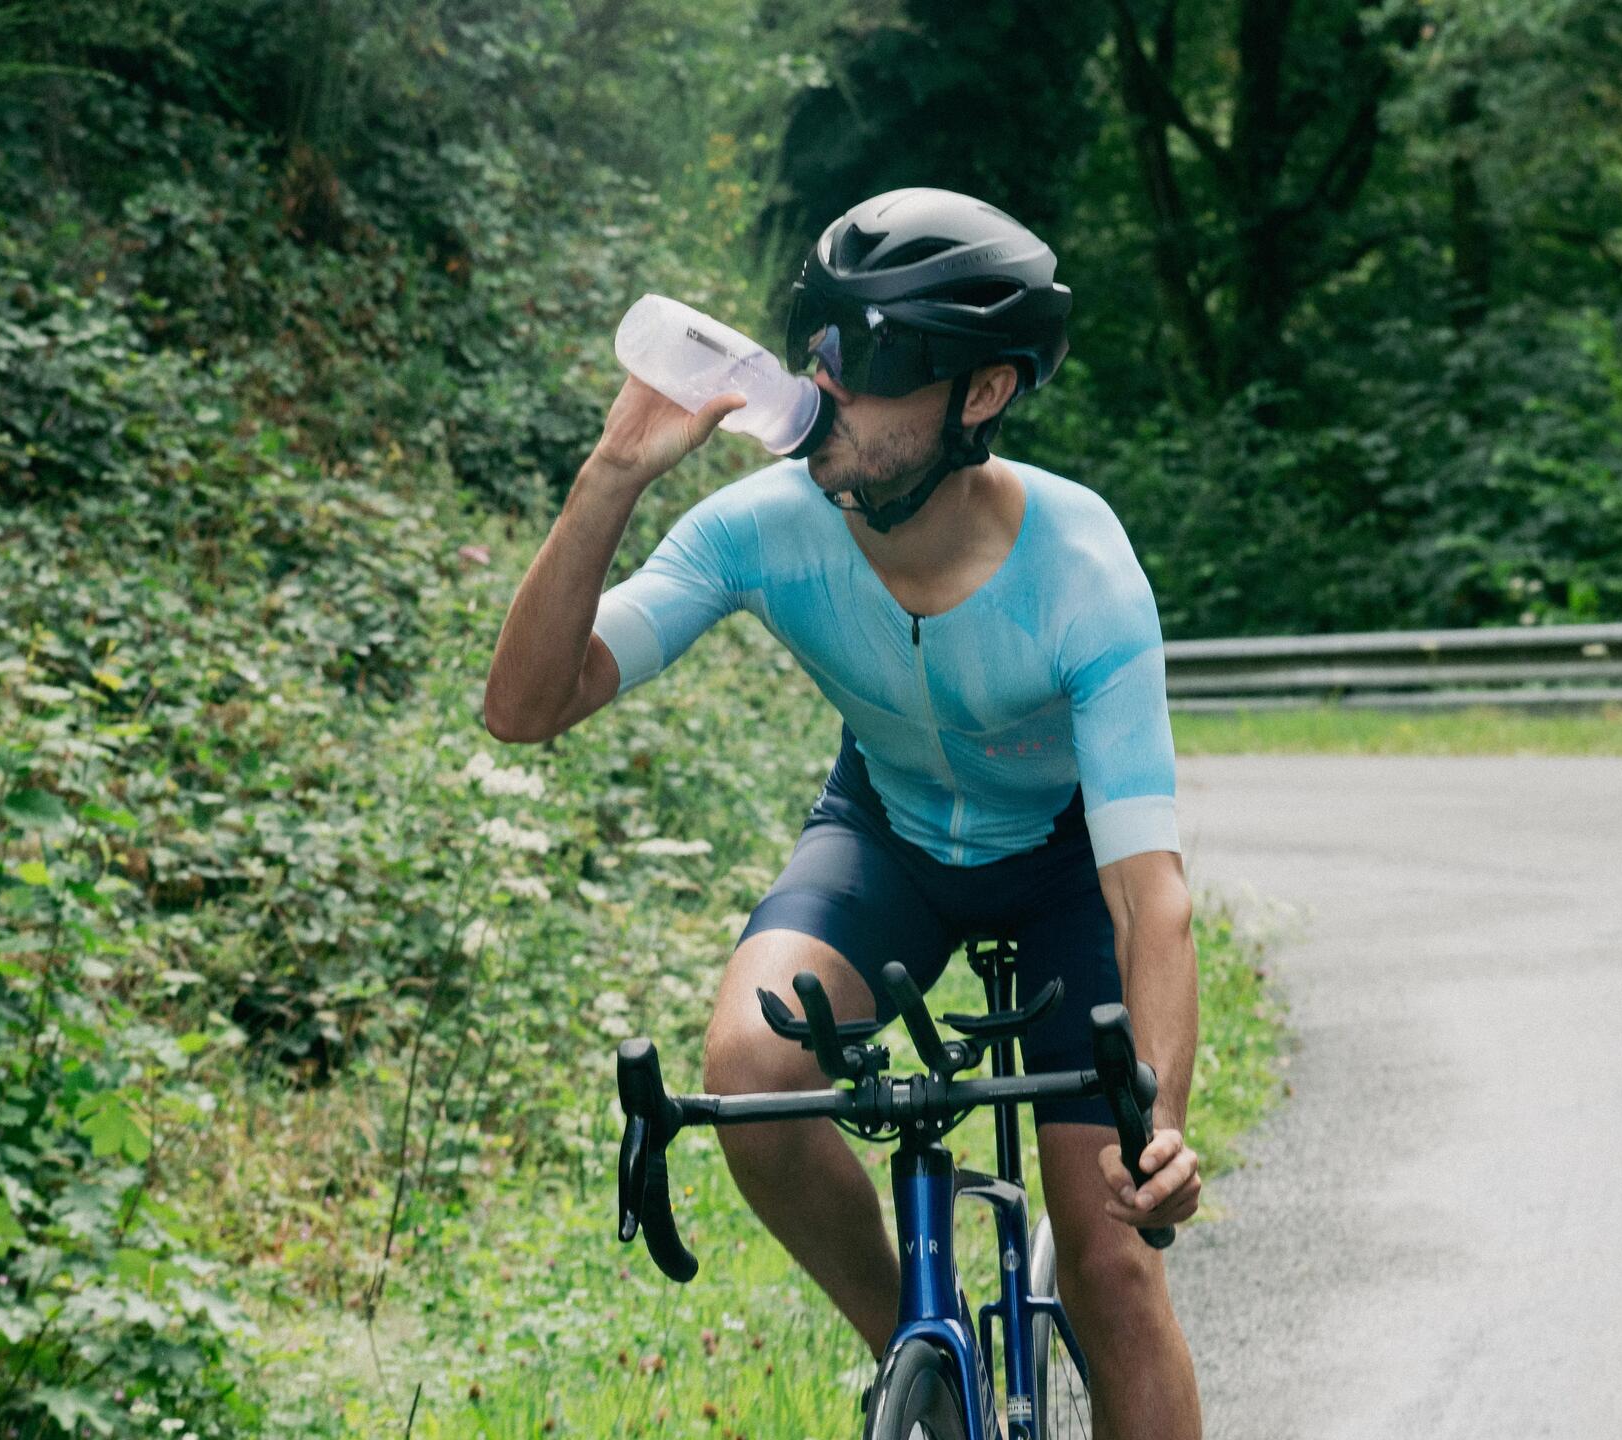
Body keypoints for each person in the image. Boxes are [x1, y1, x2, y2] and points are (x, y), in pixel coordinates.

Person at [484, 187, 1201, 1437]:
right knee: (749, 1065)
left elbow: (1151, 895)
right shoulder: (767, 526)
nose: (824, 384)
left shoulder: (1083, 569)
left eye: (865, 360)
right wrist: (611, 476)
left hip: (1059, 870)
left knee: (1114, 1265)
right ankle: (922, 1371)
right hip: (890, 836)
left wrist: (1167, 1123)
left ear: (979, 395)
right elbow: (526, 708)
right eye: (819, 340)